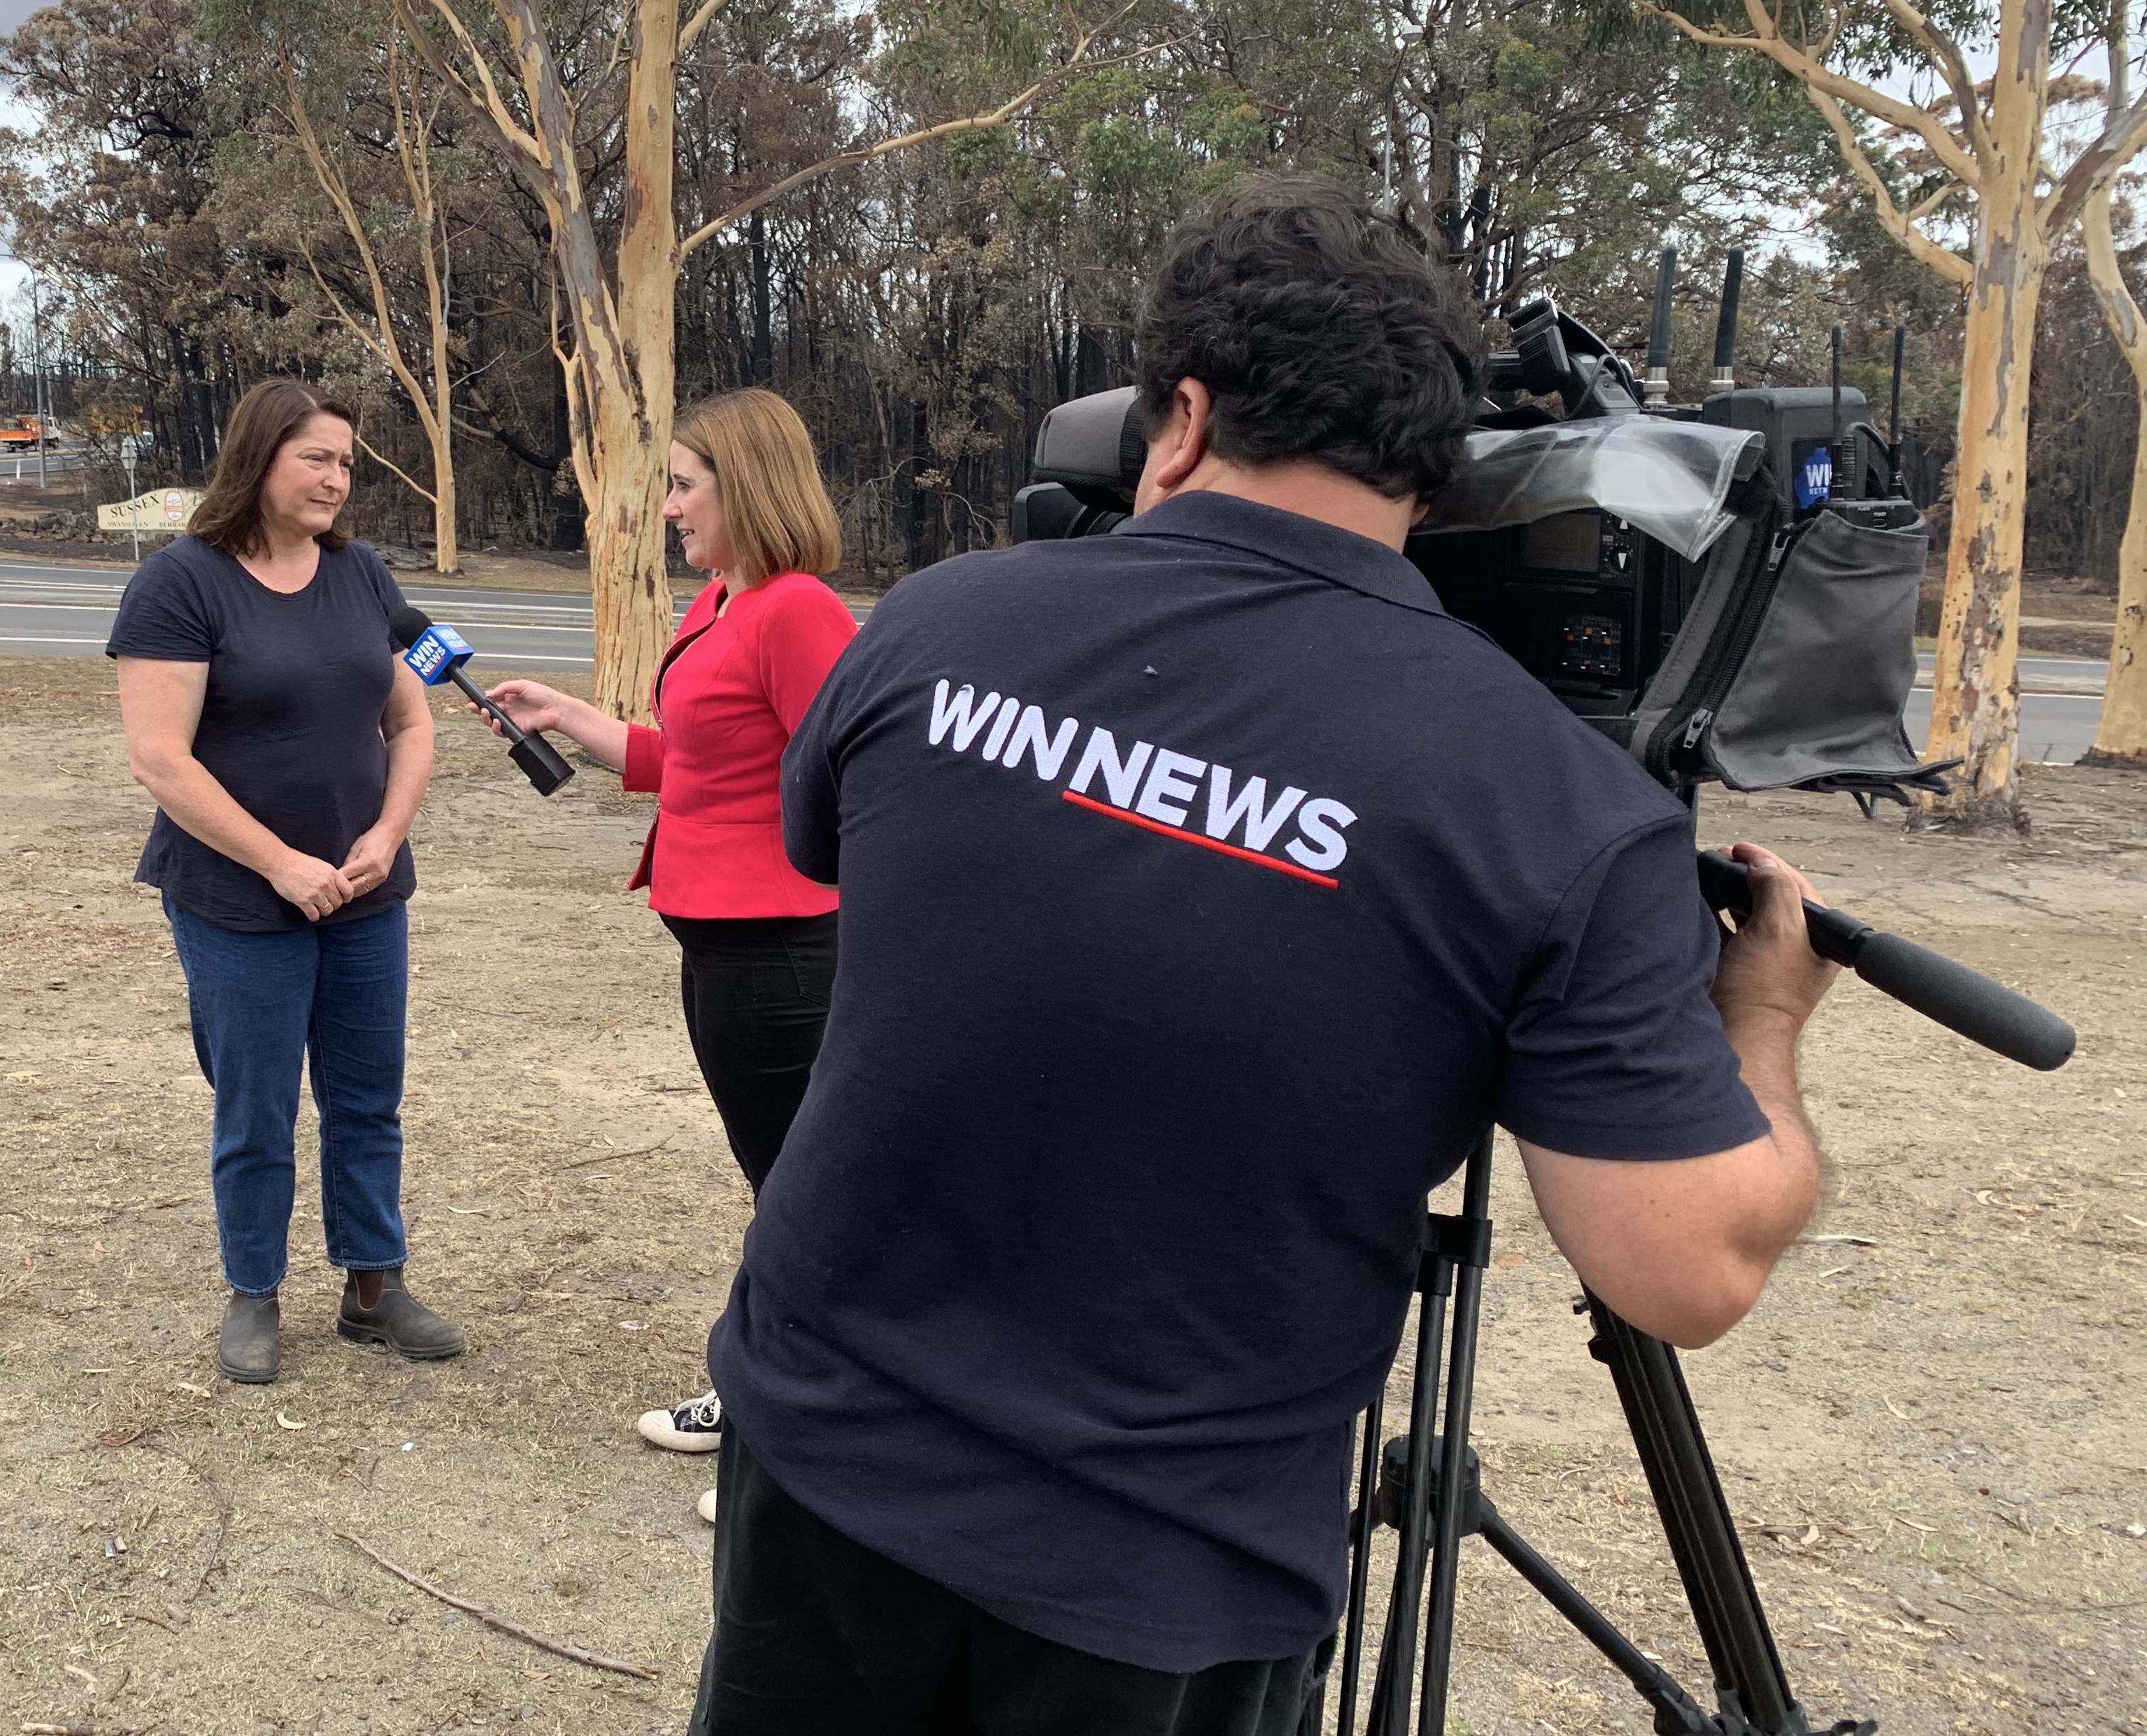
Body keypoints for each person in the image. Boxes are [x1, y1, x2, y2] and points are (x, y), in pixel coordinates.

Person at [687, 185, 1839, 1735]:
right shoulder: (1554, 803)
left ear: (1181, 413)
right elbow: (1685, 1268)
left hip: (821, 1464)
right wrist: (1759, 1018)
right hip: (1160, 1566)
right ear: (1440, 479)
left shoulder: (937, 621)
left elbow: (831, 848)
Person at [476, 389, 855, 1483]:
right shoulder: (721, 603)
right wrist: (568, 717)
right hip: (718, 946)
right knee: (772, 1183)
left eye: (685, 485)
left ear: (748, 487)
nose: (671, 509)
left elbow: (852, 778)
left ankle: (801, 1446)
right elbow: (684, 762)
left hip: (782, 952)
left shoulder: (793, 611)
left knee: (798, 1194)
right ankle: (760, 1397)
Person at [109, 379, 464, 1386]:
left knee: (367, 1101)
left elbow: (410, 721)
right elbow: (160, 759)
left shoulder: (362, 578)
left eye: (347, 462)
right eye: (317, 457)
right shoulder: (179, 584)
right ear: (259, 457)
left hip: (363, 894)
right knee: (256, 1107)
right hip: (236, 900)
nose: (337, 478)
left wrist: (387, 836)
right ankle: (253, 1292)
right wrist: (279, 863)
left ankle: (373, 1287)